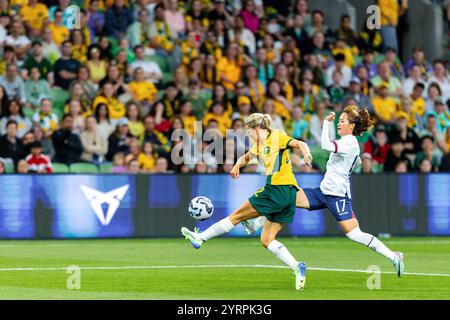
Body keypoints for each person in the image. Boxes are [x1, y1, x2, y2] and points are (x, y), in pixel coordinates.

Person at [244, 106, 405, 280]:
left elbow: (326, 145)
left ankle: (393, 256)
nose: (339, 123)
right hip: (323, 191)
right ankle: (257, 222)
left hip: (337, 196)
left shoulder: (349, 142)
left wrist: (326, 124)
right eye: (338, 120)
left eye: (342, 121)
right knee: (289, 196)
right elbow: (357, 162)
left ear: (351, 126)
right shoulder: (348, 144)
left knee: (354, 234)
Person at [181, 113, 313, 290]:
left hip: (277, 189)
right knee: (267, 239)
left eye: (248, 131)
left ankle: (200, 238)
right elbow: (246, 157)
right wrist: (236, 166)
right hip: (289, 194)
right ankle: (297, 266)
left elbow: (300, 143)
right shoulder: (259, 144)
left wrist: (306, 153)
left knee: (235, 216)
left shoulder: (277, 136)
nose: (247, 134)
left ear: (255, 128)